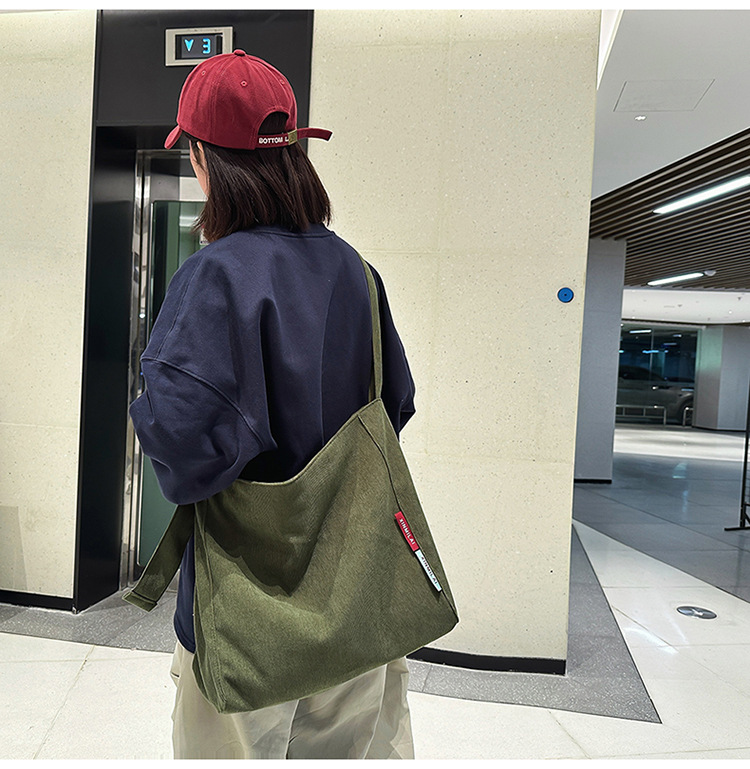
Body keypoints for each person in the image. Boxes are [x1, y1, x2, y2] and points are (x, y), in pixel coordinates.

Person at [128, 50, 418, 760]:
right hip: (357, 604)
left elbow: (185, 450)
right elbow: (395, 406)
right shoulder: (356, 270)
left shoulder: (216, 276)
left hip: (249, 614)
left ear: (204, 159)